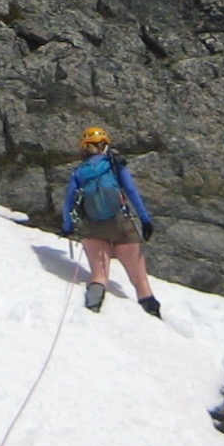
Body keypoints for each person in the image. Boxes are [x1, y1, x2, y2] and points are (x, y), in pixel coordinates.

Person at [62, 126, 160, 317]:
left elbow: (69, 201)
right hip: (121, 223)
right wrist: (145, 220)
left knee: (99, 276)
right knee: (140, 281)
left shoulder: (80, 172)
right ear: (105, 145)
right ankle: (155, 317)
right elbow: (131, 191)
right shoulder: (115, 165)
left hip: (92, 227)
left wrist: (67, 227)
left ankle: (92, 313)